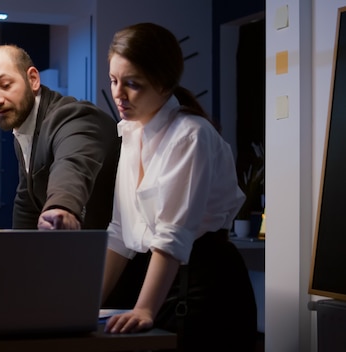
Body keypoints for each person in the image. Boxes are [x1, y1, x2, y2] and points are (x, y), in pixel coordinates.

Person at [101, 23, 257, 351]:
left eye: (133, 84)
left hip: (205, 285)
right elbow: (119, 233)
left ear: (164, 83)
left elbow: (172, 235)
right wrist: (89, 303)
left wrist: (145, 308)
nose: (118, 94)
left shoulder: (190, 135)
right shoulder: (130, 134)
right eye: (114, 80)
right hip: (161, 279)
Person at [0, 45, 119, 230]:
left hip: (126, 253)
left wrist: (61, 207)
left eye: (5, 85)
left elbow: (72, 164)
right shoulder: (23, 130)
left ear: (33, 79)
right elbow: (27, 202)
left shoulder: (72, 116)